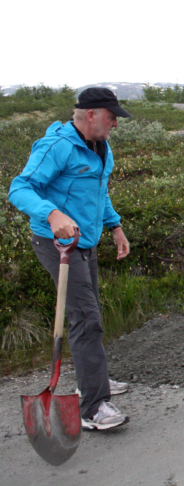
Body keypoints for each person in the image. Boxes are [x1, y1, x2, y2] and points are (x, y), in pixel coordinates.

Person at [8, 87, 132, 430]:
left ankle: (93, 382)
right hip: (56, 243)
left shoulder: (101, 147)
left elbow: (98, 191)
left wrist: (115, 226)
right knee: (87, 318)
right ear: (90, 115)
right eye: (111, 118)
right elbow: (19, 188)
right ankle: (93, 408)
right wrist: (51, 214)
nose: (115, 125)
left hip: (86, 242)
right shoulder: (58, 146)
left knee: (86, 315)